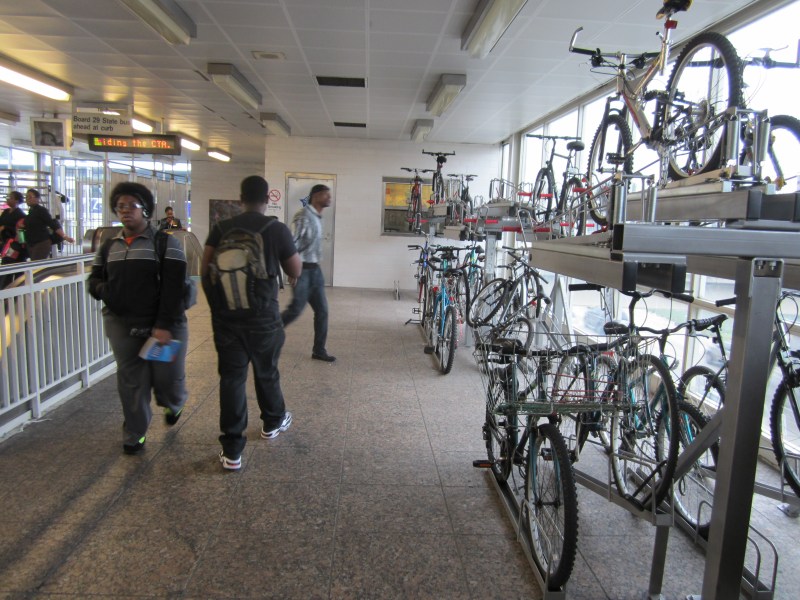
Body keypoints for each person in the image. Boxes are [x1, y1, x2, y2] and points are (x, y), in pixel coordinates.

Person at [201, 176, 301, 471]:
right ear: (266, 200)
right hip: (264, 318)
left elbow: (205, 271)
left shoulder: (220, 229)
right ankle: (272, 423)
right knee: (266, 371)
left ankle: (232, 450)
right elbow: (295, 267)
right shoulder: (276, 229)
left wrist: (220, 310)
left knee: (231, 380)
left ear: (240, 198)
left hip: (227, 320)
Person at [87, 182, 189, 455]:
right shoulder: (109, 246)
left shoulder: (167, 243)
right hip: (122, 324)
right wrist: (105, 291)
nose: (125, 211)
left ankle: (173, 403)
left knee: (166, 378)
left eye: (131, 205)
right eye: (120, 206)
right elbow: (93, 280)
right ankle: (135, 434)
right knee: (132, 381)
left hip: (163, 326)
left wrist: (164, 325)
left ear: (145, 209)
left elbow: (174, 288)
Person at [281, 184, 336, 362]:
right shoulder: (303, 216)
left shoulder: (318, 217)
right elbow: (291, 244)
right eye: (326, 195)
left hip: (315, 271)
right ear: (316, 196)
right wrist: (292, 271)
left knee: (322, 311)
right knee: (295, 309)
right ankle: (266, 334)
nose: (329, 198)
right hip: (302, 270)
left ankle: (319, 350)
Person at [24, 189, 74, 260]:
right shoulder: (31, 211)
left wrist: (65, 237)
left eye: (30, 197)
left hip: (41, 243)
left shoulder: (41, 210)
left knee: (35, 266)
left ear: (37, 199)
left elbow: (52, 224)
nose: (27, 199)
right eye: (26, 197)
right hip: (32, 243)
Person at [0, 191, 27, 287]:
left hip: (14, 245)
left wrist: (6, 227)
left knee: (11, 265)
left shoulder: (20, 214)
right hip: (5, 242)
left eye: (10, 198)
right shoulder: (6, 212)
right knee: (5, 264)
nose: (8, 199)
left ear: (16, 201)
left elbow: (20, 231)